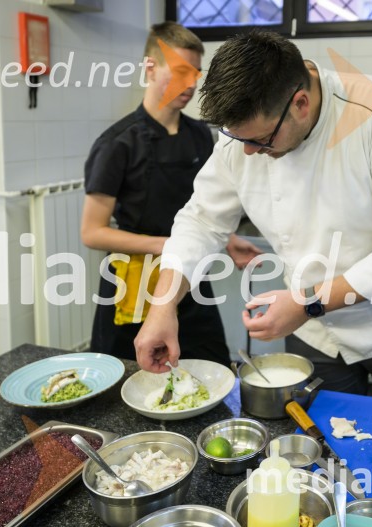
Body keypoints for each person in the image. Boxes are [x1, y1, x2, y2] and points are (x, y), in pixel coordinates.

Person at [134, 30, 372, 407]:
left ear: (301, 103)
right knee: (322, 449)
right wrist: (163, 306)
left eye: (262, 141)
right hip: (315, 331)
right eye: (240, 141)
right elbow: (201, 221)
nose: (250, 153)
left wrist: (306, 303)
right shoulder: (245, 130)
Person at [80, 22, 261, 365]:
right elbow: (92, 232)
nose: (191, 83)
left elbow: (204, 209)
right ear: (150, 68)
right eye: (180, 71)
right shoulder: (117, 144)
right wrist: (167, 244)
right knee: (130, 378)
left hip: (190, 280)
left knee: (211, 369)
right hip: (132, 287)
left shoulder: (200, 136)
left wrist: (229, 238)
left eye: (195, 73)